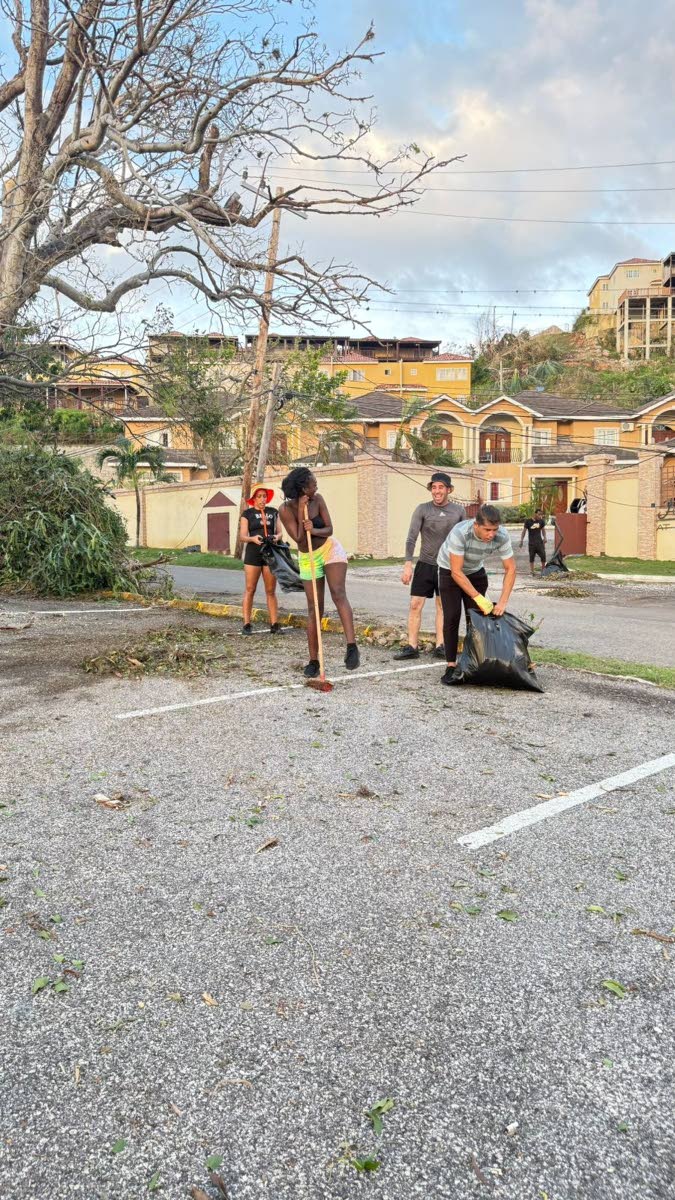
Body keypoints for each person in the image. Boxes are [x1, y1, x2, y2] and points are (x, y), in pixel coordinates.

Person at [278, 466, 360, 677]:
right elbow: (298, 538)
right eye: (313, 484)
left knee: (338, 593)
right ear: (303, 488)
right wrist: (300, 510)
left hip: (329, 549)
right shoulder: (285, 509)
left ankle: (352, 647)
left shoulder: (319, 499)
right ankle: (314, 661)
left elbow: (329, 529)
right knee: (315, 607)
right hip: (308, 557)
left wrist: (313, 528)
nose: (317, 486)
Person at [436, 503, 516, 685]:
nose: (491, 534)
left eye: (494, 530)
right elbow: (456, 572)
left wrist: (502, 602)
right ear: (476, 525)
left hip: (475, 570)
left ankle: (472, 662)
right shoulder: (460, 533)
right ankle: (451, 665)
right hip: (449, 570)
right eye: (487, 530)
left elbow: (510, 568)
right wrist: (478, 597)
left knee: (475, 620)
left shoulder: (502, 535)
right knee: (452, 616)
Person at [394, 472, 466, 661]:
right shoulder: (422, 509)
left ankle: (441, 646)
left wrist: (462, 567)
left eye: (441, 487)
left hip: (447, 566)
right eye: (434, 487)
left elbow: (464, 540)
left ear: (449, 490)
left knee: (442, 606)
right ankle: (412, 646)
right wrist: (408, 564)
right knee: (415, 605)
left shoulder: (459, 511)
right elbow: (411, 537)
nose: (437, 491)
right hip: (425, 564)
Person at [239, 484, 282, 636]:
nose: (263, 499)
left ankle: (274, 624)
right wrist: (252, 538)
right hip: (253, 553)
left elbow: (280, 533)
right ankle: (246, 624)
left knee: (270, 590)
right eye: (259, 496)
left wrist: (276, 537)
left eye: (264, 496)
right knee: (250, 589)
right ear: (254, 499)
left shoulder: (273, 512)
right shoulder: (247, 514)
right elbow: (242, 536)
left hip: (270, 552)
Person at [520, 508, 547, 576]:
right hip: (532, 543)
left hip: (539, 542)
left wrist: (545, 537)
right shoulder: (528, 521)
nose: (540, 516)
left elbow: (543, 530)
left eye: (541, 515)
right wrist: (521, 540)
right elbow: (524, 531)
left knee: (543, 556)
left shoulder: (541, 521)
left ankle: (543, 571)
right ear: (535, 514)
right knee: (531, 557)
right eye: (539, 514)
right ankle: (532, 571)